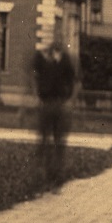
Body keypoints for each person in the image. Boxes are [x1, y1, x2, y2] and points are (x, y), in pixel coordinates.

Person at [32, 33, 76, 184]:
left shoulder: (64, 60)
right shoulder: (41, 59)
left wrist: (68, 98)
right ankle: (43, 172)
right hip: (46, 103)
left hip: (59, 103)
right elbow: (35, 77)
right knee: (44, 139)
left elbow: (71, 79)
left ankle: (58, 173)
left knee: (58, 139)